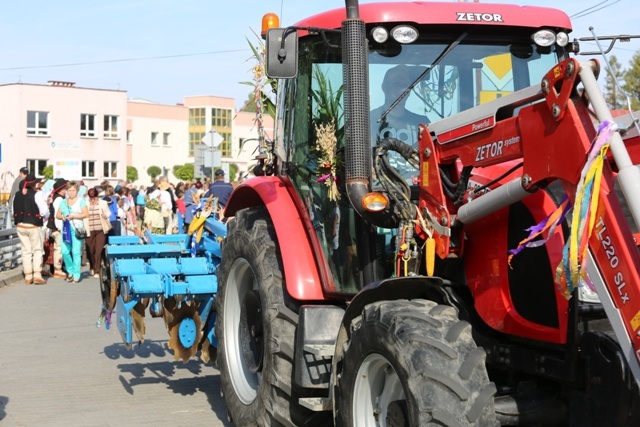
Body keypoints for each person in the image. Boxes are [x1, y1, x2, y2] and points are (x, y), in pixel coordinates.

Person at [370, 64, 429, 182]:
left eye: (404, 85)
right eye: (395, 84)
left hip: (418, 188)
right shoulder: (370, 120)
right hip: (382, 189)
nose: (400, 89)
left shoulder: (423, 124)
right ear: (384, 87)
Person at [13, 174, 49, 285]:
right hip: (33, 225)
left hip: (20, 225)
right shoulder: (37, 195)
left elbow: (12, 209)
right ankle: (37, 275)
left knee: (26, 251)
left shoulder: (17, 195)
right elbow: (45, 211)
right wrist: (42, 217)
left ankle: (28, 276)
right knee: (37, 250)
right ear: (34, 184)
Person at [56, 181, 89, 283]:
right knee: (65, 251)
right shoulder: (63, 202)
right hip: (66, 229)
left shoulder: (81, 201)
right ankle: (70, 270)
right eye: (69, 190)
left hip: (77, 229)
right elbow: (57, 215)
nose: (71, 192)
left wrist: (74, 216)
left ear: (77, 191)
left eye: (73, 190)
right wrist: (63, 217)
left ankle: (76, 274)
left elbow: (86, 214)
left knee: (75, 252)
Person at [85, 187, 112, 278]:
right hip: (89, 229)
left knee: (99, 249)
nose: (93, 200)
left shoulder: (103, 203)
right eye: (91, 198)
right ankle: (92, 266)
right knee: (90, 249)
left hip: (100, 229)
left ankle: (97, 270)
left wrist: (105, 215)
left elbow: (109, 213)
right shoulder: (85, 203)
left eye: (95, 198)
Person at [45, 178, 69, 279]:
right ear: (61, 189)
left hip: (54, 226)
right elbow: (57, 215)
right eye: (65, 188)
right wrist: (60, 228)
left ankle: (57, 268)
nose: (66, 191)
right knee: (59, 248)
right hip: (57, 227)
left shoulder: (55, 197)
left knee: (57, 248)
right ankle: (57, 269)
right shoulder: (59, 199)